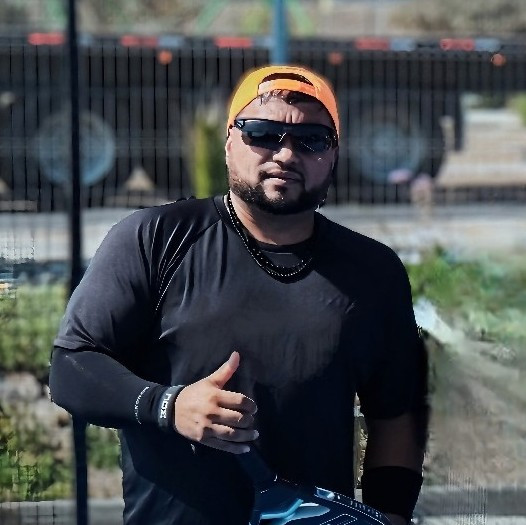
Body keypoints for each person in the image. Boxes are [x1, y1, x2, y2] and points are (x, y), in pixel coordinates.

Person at [49, 64, 428, 525]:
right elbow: (72, 366)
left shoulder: (373, 272)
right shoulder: (154, 239)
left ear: (333, 156)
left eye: (311, 140)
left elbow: (396, 415)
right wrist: (169, 406)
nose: (285, 154)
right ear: (229, 142)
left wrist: (391, 515)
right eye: (262, 133)